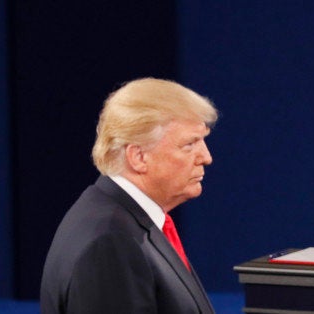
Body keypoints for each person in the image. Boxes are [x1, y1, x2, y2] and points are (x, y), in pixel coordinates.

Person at [40, 78, 218, 314]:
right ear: (139, 157)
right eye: (190, 144)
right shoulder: (110, 243)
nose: (206, 157)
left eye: (203, 140)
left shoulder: (123, 219)